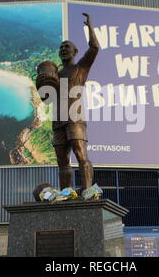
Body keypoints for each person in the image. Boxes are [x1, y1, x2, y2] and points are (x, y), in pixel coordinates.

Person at [52, 13, 100, 195]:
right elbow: (46, 97)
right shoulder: (54, 74)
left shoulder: (80, 68)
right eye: (61, 47)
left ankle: (87, 191)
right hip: (57, 120)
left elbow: (95, 47)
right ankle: (66, 194)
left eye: (67, 46)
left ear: (75, 52)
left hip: (75, 118)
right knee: (62, 161)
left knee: (81, 155)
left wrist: (90, 26)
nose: (64, 49)